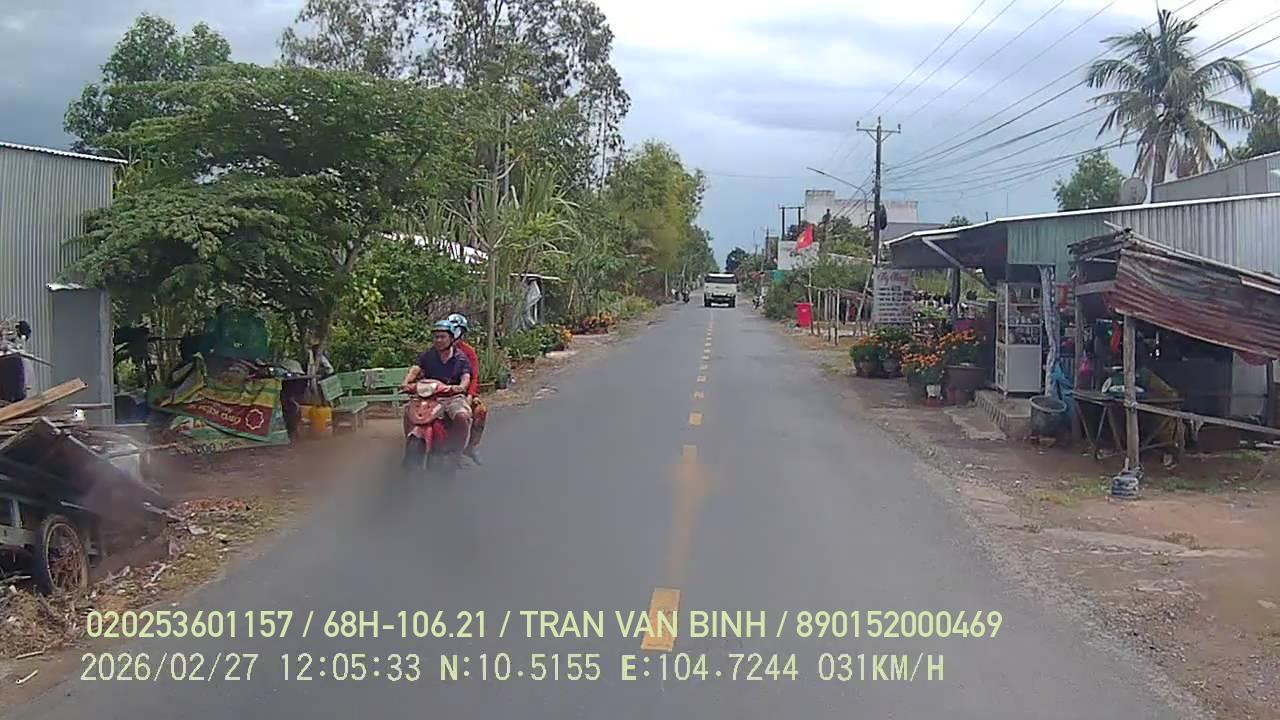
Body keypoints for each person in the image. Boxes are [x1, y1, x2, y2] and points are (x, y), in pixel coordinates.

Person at [401, 319, 472, 451]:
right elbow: (415, 368)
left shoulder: (461, 358)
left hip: (452, 396)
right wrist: (406, 382)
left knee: (462, 416)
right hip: (428, 395)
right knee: (409, 411)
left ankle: (456, 451)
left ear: (451, 339)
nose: (438, 340)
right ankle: (409, 439)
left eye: (442, 337)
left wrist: (461, 386)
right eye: (436, 337)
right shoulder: (428, 355)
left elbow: (466, 375)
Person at [445, 313, 488, 463]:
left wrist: (470, 395)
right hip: (440, 390)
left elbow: (474, 376)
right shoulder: (437, 350)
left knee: (480, 411)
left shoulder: (468, 351)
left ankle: (471, 446)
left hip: (462, 392)